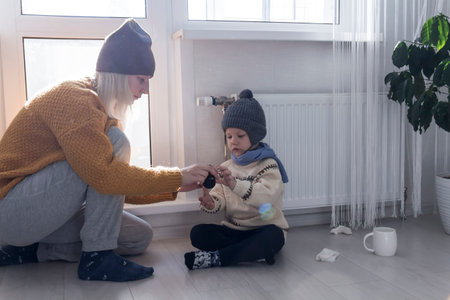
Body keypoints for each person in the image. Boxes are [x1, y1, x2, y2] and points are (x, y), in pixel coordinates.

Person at [0, 18, 218, 282]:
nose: (145, 90)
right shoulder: (75, 99)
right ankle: (97, 258)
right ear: (119, 74)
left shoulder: (97, 108)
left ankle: (27, 252)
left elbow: (107, 185)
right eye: (141, 80)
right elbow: (105, 176)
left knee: (138, 237)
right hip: (10, 211)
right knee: (117, 143)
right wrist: (177, 175)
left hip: (38, 214)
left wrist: (175, 187)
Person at [184, 89, 289, 270]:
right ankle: (249, 253)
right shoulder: (227, 166)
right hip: (234, 230)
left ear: (255, 135)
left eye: (240, 136)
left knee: (275, 237)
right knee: (198, 233)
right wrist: (211, 202)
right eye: (229, 136)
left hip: (262, 229)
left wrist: (235, 184)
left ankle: (219, 258)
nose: (233, 142)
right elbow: (221, 199)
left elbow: (267, 197)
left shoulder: (268, 165)